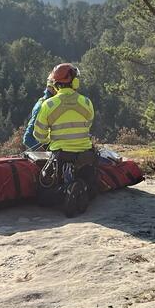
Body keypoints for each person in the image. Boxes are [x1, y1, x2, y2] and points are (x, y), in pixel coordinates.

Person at [33, 63, 97, 209]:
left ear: (55, 84)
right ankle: (82, 187)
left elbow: (39, 134)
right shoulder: (86, 102)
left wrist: (50, 139)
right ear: (75, 82)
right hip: (86, 156)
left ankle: (65, 190)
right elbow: (88, 125)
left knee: (43, 195)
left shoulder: (48, 105)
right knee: (92, 186)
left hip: (61, 157)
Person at [23, 81, 55, 149]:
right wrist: (44, 154)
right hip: (48, 153)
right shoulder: (43, 105)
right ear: (52, 88)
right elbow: (27, 138)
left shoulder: (52, 103)